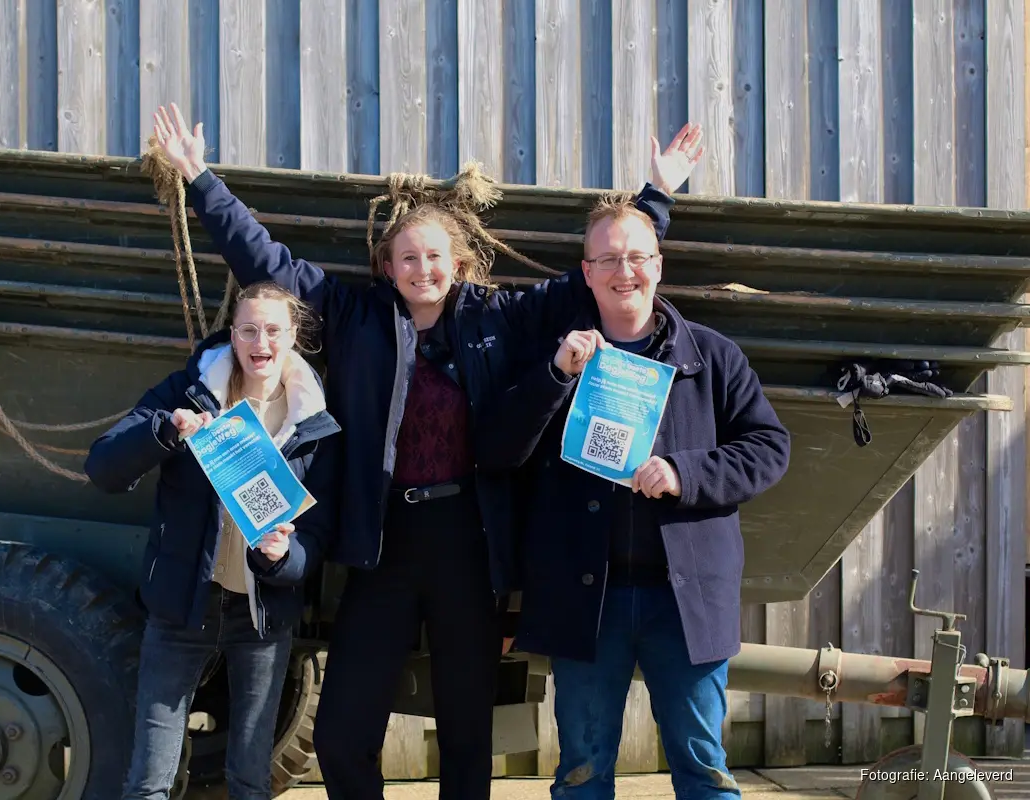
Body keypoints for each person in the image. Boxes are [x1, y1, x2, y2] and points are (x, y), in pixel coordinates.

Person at [148, 102, 704, 800]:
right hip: (383, 543)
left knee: (467, 734)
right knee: (342, 734)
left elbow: (599, 274)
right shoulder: (354, 317)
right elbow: (265, 261)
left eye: (435, 257)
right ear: (389, 267)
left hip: (468, 543)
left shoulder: (498, 317)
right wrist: (198, 178)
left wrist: (658, 195)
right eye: (408, 258)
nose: (422, 269)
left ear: (459, 264)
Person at [484, 194, 791, 799]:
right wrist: (555, 376)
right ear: (587, 273)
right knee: (582, 772)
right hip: (586, 601)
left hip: (684, 601)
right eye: (608, 259)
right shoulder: (558, 356)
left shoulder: (712, 357)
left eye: (637, 257)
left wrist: (684, 474)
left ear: (658, 265)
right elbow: (497, 450)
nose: (624, 271)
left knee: (704, 770)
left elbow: (769, 448)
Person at [84, 280, 343, 800]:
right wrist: (164, 431)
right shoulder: (189, 392)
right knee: (149, 780)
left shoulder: (314, 423)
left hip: (261, 616)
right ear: (232, 334)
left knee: (250, 780)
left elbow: (317, 536)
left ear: (294, 335)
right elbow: (104, 467)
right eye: (248, 330)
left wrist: (284, 557)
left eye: (274, 330)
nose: (260, 342)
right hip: (182, 607)